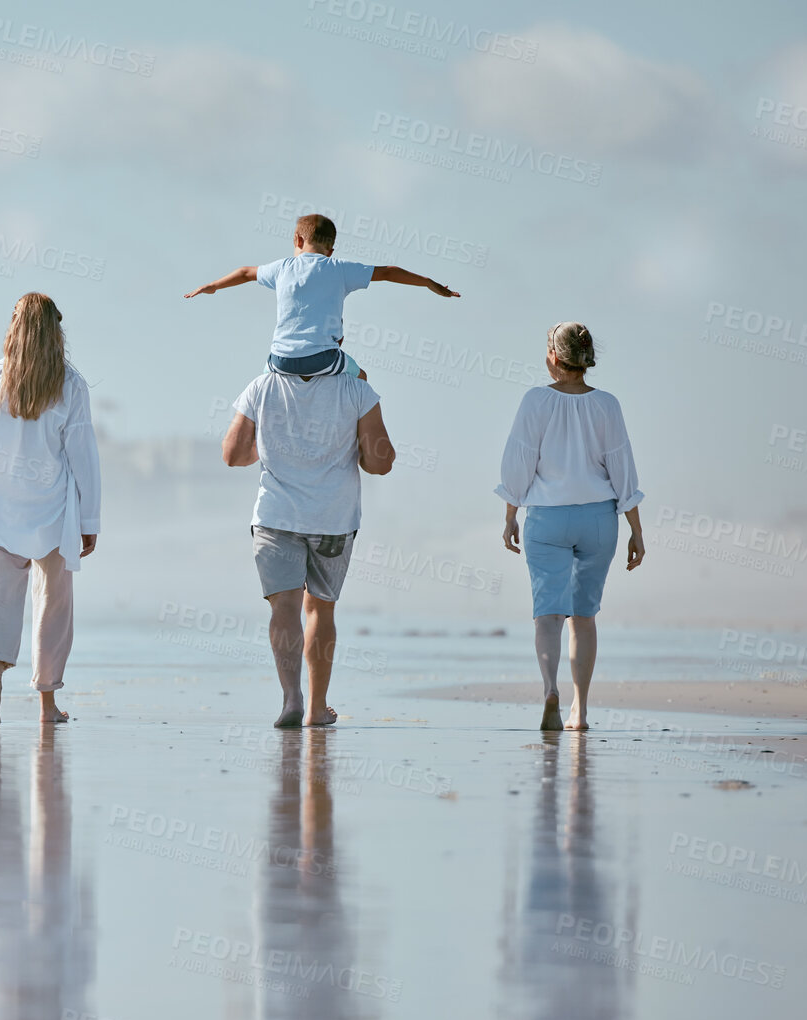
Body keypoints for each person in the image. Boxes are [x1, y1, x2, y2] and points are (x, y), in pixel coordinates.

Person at [222, 354, 395, 728]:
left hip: (275, 517)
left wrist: (269, 449)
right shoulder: (357, 389)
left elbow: (233, 455)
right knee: (320, 609)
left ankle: (291, 699)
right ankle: (317, 708)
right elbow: (381, 463)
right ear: (339, 339)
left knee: (283, 607)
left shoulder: (262, 385)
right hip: (332, 519)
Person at [495, 322, 645, 731]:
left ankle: (550, 690)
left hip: (547, 518)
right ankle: (580, 709)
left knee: (548, 615)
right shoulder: (608, 404)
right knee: (584, 616)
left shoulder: (535, 400)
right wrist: (636, 528)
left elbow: (519, 460)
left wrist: (510, 514)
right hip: (598, 519)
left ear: (554, 358)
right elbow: (622, 467)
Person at [0, 293, 101, 724]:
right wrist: (90, 519)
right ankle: (46, 703)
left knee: (1, 598)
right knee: (53, 603)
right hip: (52, 510)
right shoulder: (71, 384)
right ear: (56, 330)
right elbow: (84, 457)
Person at [183, 212, 459, 380]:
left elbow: (244, 272)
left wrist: (213, 285)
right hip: (323, 359)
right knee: (361, 377)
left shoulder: (282, 268)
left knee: (263, 381)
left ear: (297, 240)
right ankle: (359, 443)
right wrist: (428, 283)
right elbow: (388, 271)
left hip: (279, 360)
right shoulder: (339, 268)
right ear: (331, 251)